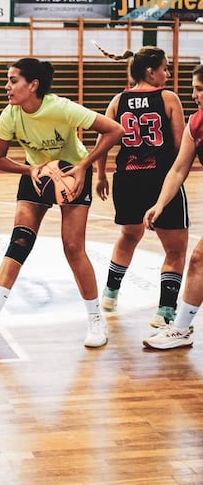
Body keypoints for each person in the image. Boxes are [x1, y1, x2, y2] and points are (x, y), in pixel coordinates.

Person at [0, 57, 124, 348]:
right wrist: (29, 169)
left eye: (13, 80)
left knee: (73, 247)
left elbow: (114, 129)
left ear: (33, 85)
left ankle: (95, 321)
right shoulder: (11, 114)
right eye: (8, 80)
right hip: (37, 172)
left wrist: (84, 166)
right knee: (20, 240)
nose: (7, 86)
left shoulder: (61, 108)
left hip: (72, 172)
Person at [95, 44, 189, 328]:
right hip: (160, 180)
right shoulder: (168, 98)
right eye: (165, 67)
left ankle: (110, 295)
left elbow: (103, 144)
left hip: (127, 178)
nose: (168, 72)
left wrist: (101, 176)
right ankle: (165, 313)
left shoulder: (117, 100)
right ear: (151, 71)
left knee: (129, 235)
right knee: (175, 250)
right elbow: (178, 146)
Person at [142, 63, 203, 349]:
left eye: (200, 89)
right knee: (199, 260)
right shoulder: (196, 124)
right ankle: (181, 329)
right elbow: (179, 169)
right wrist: (160, 204)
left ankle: (181, 328)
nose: (194, 95)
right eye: (193, 88)